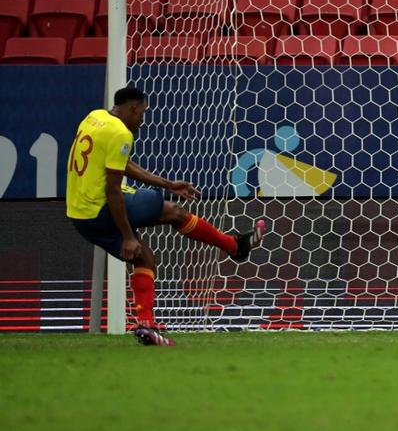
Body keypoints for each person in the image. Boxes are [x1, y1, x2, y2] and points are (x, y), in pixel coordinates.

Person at [66, 86, 265, 346]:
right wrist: (127, 236)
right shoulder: (120, 133)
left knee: (144, 256)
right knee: (163, 207)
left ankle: (146, 326)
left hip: (80, 215)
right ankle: (234, 246)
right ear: (133, 108)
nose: (143, 119)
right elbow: (113, 189)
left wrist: (167, 183)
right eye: (143, 113)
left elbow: (119, 165)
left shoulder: (94, 117)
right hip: (101, 208)